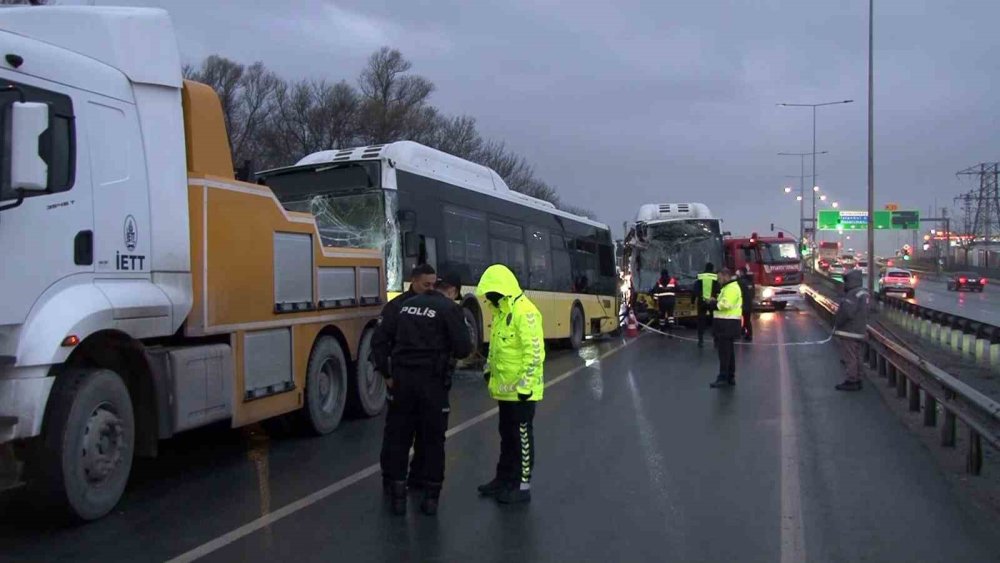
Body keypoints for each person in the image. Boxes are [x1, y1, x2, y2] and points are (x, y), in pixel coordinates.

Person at [379, 272, 473, 516]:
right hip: (432, 384)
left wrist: (387, 372)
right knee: (433, 441)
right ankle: (430, 499)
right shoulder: (449, 309)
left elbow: (383, 339)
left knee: (399, 438)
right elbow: (464, 349)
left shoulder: (405, 305)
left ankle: (397, 497)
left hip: (401, 383)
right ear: (452, 290)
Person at [475, 264, 545, 504]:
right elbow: (496, 350)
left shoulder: (525, 312)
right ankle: (503, 479)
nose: (488, 298)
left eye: (491, 293)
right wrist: (488, 371)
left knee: (521, 439)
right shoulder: (501, 312)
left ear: (503, 289)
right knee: (507, 437)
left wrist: (525, 387)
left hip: (522, 393)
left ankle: (522, 486)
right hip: (506, 391)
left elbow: (534, 353)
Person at [372, 264, 438, 494]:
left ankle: (417, 479)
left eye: (433, 285)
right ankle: (392, 480)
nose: (430, 289)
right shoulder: (397, 307)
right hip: (401, 381)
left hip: (428, 384)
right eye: (425, 285)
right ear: (413, 281)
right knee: (397, 434)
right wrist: (387, 375)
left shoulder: (438, 307)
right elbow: (379, 342)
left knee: (425, 434)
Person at [833, 269, 870, 392]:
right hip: (860, 331)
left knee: (850, 357)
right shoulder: (864, 293)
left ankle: (852, 380)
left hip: (849, 332)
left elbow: (847, 313)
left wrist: (837, 322)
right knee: (858, 356)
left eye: (846, 281)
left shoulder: (852, 294)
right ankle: (858, 379)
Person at [709, 268, 743, 388]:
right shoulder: (728, 288)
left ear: (725, 276)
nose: (718, 280)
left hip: (727, 324)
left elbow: (726, 304)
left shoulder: (732, 288)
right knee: (729, 352)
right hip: (727, 324)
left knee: (724, 353)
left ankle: (723, 377)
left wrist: (713, 304)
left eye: (719, 278)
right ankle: (730, 376)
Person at [692, 263, 720, 347]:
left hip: (702, 302)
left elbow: (695, 289)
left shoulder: (700, 276)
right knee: (714, 321)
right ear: (712, 268)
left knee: (701, 321)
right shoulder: (715, 277)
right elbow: (718, 289)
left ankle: (700, 340)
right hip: (712, 301)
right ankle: (716, 340)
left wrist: (692, 300)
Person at [738, 266, 755, 341]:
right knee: (747, 320)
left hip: (743, 303)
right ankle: (748, 333)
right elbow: (753, 293)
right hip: (749, 303)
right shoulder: (750, 281)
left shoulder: (741, 282)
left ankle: (744, 332)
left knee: (742, 319)